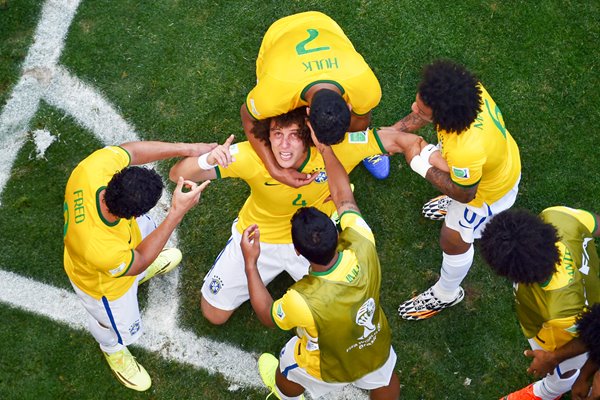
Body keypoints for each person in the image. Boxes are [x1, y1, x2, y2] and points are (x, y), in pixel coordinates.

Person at [170, 107, 420, 325]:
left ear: (309, 137)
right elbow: (177, 174)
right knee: (214, 314)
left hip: (315, 238)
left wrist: (425, 155)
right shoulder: (249, 156)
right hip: (259, 238)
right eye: (277, 134)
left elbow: (398, 140)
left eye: (293, 135)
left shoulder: (337, 149)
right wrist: (207, 159)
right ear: (267, 137)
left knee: (346, 312)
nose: (284, 145)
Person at [239, 123, 400, 400]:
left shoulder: (300, 301)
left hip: (323, 367)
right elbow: (344, 198)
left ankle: (285, 395)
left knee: (288, 368)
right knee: (385, 377)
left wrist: (251, 264)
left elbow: (268, 315)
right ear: (338, 234)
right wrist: (324, 148)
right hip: (374, 345)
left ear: (299, 253)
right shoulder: (362, 241)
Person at [63, 140, 214, 391]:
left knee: (140, 255)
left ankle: (140, 276)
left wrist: (188, 149)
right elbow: (139, 260)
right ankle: (113, 350)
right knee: (109, 322)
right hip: (105, 288)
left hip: (119, 253)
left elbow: (131, 152)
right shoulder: (101, 248)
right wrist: (176, 212)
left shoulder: (93, 169)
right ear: (132, 215)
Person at [391, 59, 522, 320]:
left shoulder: (465, 149)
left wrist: (420, 163)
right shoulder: (469, 92)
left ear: (443, 116)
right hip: (494, 162)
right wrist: (385, 137)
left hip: (488, 192)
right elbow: (422, 115)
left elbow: (465, 193)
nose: (413, 108)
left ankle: (446, 293)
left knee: (452, 238)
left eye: (422, 108)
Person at [240, 11, 390, 185]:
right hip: (280, 33)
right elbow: (247, 115)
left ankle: (364, 146)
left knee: (359, 120)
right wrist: (275, 170)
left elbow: (362, 116)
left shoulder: (366, 87)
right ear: (306, 113)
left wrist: (353, 147)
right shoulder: (273, 94)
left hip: (324, 23)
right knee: (274, 123)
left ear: (349, 107)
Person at [478, 207, 600, 399]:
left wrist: (553, 358)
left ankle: (545, 393)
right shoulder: (558, 217)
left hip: (560, 333)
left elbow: (593, 337)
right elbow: (595, 223)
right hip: (588, 301)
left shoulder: (557, 311)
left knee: (562, 371)